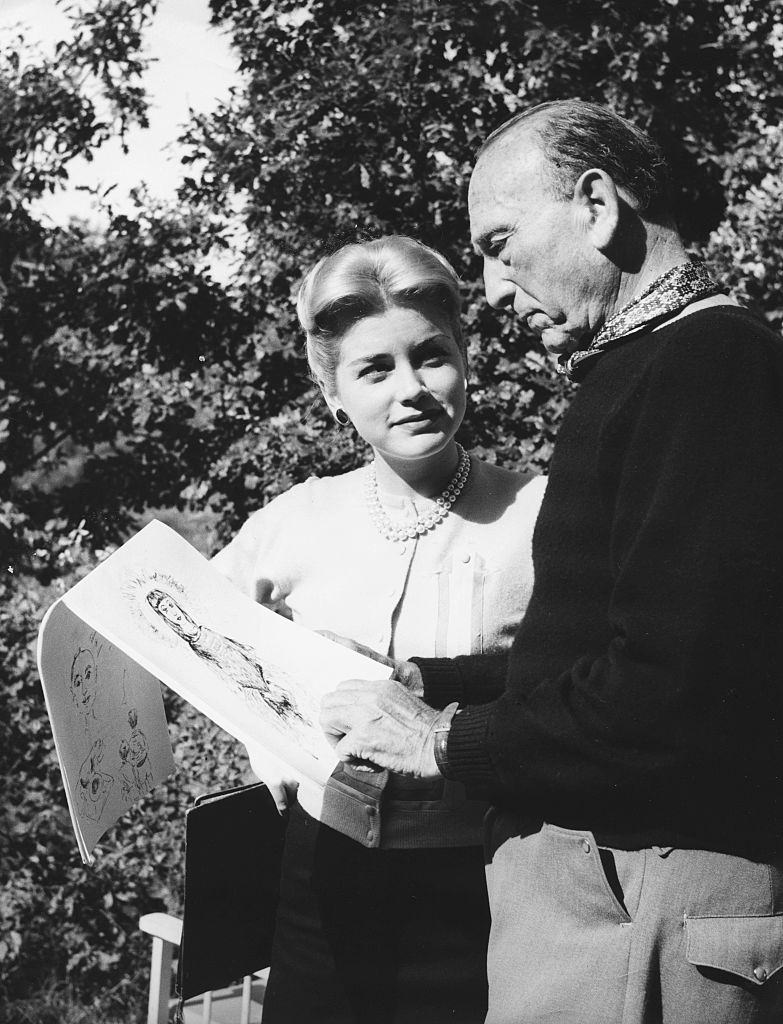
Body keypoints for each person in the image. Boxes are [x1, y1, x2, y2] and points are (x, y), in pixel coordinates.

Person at [321, 101, 783, 1024]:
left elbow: (672, 692)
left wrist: (443, 742)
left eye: (501, 242)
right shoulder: (648, 364)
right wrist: (434, 681)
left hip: (641, 901)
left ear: (597, 204)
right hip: (608, 900)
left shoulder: (711, 363)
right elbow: (614, 647)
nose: (492, 288)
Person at [211, 234, 546, 1024]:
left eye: (430, 356)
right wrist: (271, 749)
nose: (412, 389)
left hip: (488, 882)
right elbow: (202, 639)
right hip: (321, 882)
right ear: (332, 393)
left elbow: (575, 671)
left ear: (465, 358)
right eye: (373, 369)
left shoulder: (541, 512)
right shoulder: (293, 521)